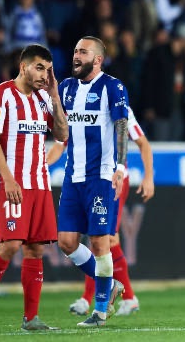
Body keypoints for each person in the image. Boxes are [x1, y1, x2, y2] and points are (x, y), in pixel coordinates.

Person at [0, 44, 69, 332]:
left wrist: (55, 97)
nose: (44, 75)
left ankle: (30, 318)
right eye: (39, 68)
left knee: (35, 249)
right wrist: (8, 178)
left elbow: (62, 134)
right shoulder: (1, 94)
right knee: (11, 243)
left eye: (48, 70)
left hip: (40, 182)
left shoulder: (44, 98)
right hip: (12, 182)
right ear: (23, 67)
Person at [47, 106, 155, 316]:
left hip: (112, 181)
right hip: (83, 180)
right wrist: (42, 164)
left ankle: (96, 299)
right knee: (98, 241)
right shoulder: (73, 103)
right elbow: (60, 144)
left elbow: (143, 143)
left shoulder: (118, 105)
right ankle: (116, 298)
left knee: (106, 239)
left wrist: (149, 177)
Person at [56, 36, 130, 328]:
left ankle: (99, 312)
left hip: (100, 176)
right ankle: (110, 285)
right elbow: (58, 127)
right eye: (75, 50)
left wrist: (120, 167)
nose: (76, 55)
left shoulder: (113, 87)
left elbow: (121, 126)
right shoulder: (66, 88)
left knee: (100, 243)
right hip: (72, 176)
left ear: (98, 59)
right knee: (66, 242)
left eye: (83, 52)